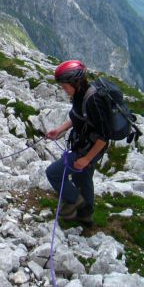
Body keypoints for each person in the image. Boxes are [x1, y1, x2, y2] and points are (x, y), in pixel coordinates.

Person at [45, 60, 111, 224]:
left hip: (88, 148)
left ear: (75, 82)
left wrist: (87, 158)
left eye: (64, 85)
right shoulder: (79, 95)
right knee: (83, 178)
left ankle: (76, 201)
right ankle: (85, 216)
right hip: (84, 144)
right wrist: (60, 129)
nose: (63, 89)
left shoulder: (93, 100)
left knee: (53, 173)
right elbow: (78, 117)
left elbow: (104, 135)